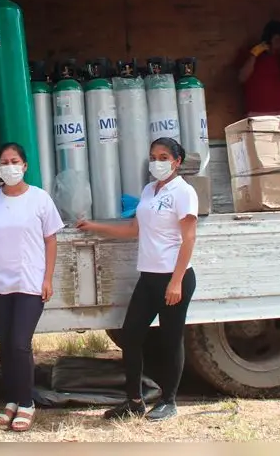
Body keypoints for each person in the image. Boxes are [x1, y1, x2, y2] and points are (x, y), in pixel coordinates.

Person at [76, 137, 198, 422]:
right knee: (131, 335)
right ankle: (134, 400)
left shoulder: (184, 192)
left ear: (177, 161)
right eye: (154, 156)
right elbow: (134, 228)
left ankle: (168, 401)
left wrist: (176, 281)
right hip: (149, 277)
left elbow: (189, 238)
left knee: (170, 339)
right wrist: (94, 226)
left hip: (174, 277)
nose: (157, 162)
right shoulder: (148, 190)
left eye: (164, 156)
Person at [0, 143, 65, 432]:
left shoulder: (39, 199)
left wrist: (47, 278)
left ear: (24, 166)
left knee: (19, 344)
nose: (9, 166)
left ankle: (26, 403)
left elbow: (51, 239)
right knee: (4, 345)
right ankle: (11, 399)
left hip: (30, 282)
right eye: (4, 162)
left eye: (14, 161)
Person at [238, 19, 280, 117]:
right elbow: (242, 77)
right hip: (258, 114)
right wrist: (254, 55)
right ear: (268, 39)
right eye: (277, 40)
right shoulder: (251, 56)